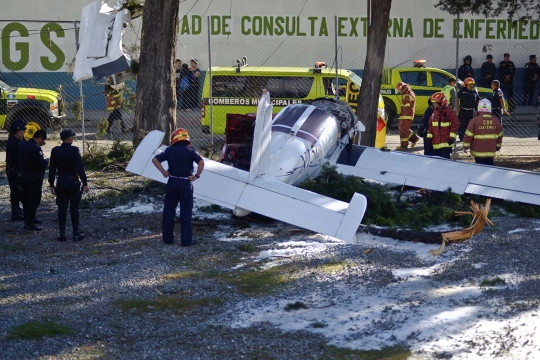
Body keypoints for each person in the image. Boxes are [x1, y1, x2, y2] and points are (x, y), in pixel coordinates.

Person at [152, 128, 204, 246]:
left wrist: (164, 172)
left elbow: (155, 160)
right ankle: (186, 240)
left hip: (172, 182)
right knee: (186, 212)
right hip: (186, 183)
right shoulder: (191, 151)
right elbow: (201, 162)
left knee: (169, 210)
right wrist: (196, 176)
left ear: (174, 138)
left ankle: (168, 239)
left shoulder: (169, 150)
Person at [48, 129, 89, 242]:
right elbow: (80, 168)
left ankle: (62, 234)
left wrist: (51, 184)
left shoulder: (55, 151)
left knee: (62, 208)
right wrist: (85, 182)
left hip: (61, 181)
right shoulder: (74, 150)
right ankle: (76, 233)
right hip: (73, 181)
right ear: (69, 138)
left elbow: (52, 169)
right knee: (74, 208)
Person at [19, 129, 49, 231]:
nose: (41, 143)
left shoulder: (22, 145)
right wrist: (46, 161)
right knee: (34, 199)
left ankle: (29, 218)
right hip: (33, 177)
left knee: (26, 199)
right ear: (39, 138)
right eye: (42, 141)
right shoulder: (36, 148)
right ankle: (29, 223)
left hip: (23, 176)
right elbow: (41, 164)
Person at [463, 99, 503, 165]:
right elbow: (500, 136)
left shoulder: (474, 121)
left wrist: (465, 146)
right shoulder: (496, 121)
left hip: (478, 152)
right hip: (491, 151)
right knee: (490, 168)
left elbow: (468, 135)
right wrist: (497, 147)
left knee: (480, 169)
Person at [426, 92, 459, 159]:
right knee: (437, 162)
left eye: (435, 102)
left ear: (441, 102)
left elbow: (455, 124)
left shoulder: (450, 112)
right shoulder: (434, 113)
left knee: (445, 161)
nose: (433, 104)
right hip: (436, 142)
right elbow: (431, 125)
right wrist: (429, 136)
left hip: (446, 142)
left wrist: (452, 137)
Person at [6, 120, 26, 221]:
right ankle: (16, 212)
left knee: (17, 191)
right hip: (14, 170)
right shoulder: (14, 142)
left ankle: (17, 210)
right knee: (16, 190)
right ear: (17, 132)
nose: (24, 133)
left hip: (14, 169)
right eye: (22, 131)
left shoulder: (17, 141)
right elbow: (17, 159)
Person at [395, 81, 419, 150]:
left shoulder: (408, 93)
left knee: (403, 129)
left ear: (402, 88)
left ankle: (404, 146)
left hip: (407, 115)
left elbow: (409, 101)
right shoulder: (406, 93)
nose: (399, 91)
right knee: (402, 128)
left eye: (399, 90)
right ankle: (414, 139)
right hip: (404, 114)